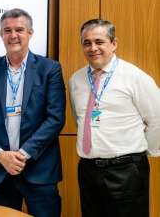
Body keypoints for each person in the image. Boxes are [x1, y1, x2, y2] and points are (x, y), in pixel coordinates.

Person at [0, 8, 66, 216]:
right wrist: (0, 155)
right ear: (1, 34)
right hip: (0, 171)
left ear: (30, 33)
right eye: (7, 30)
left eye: (19, 30)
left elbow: (56, 119)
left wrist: (22, 155)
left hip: (39, 169)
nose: (13, 35)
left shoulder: (50, 69)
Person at [69, 19, 160, 217]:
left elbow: (156, 120)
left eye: (99, 42)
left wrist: (147, 152)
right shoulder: (75, 80)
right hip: (88, 169)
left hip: (126, 171)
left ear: (114, 43)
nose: (93, 48)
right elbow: (80, 120)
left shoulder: (135, 77)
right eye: (87, 43)